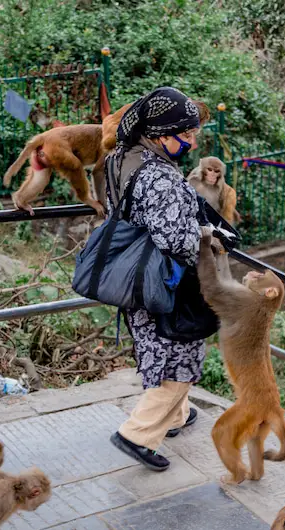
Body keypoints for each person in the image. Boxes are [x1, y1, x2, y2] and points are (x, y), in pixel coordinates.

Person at [107, 87, 211, 471]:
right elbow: (176, 242)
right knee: (180, 351)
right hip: (164, 280)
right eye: (186, 134)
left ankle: (177, 416)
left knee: (156, 345)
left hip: (130, 275)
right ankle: (137, 434)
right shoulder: (160, 177)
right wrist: (207, 237)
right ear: (162, 134)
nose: (192, 141)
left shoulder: (119, 157)